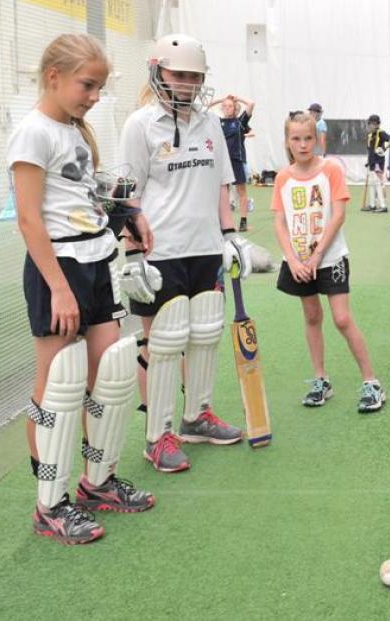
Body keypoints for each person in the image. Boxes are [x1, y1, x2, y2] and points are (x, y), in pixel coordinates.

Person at [9, 33, 155, 544]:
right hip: (60, 269)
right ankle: (50, 503)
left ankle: (98, 482)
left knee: (108, 378)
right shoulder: (33, 132)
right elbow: (29, 220)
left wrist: (126, 216)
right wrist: (60, 290)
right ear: (54, 77)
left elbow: (84, 197)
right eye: (87, 85)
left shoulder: (75, 129)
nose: (94, 96)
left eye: (98, 86)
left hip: (97, 260)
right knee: (56, 388)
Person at [119, 33, 253, 473]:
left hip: (205, 247)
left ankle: (196, 417)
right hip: (160, 252)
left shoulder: (210, 122)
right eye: (179, 74)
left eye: (195, 76)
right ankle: (157, 437)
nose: (188, 83)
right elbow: (128, 196)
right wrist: (133, 254)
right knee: (163, 345)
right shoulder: (140, 124)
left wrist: (230, 234)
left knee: (205, 335)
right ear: (158, 72)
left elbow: (220, 184)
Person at [271, 112, 386, 413]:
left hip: (330, 258)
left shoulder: (331, 169)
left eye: (308, 138)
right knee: (311, 316)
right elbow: (280, 222)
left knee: (342, 319)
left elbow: (338, 215)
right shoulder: (283, 177)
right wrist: (294, 260)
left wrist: (318, 254)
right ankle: (321, 380)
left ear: (317, 139)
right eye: (296, 138)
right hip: (298, 263)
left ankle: (371, 382)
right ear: (288, 141)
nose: (303, 144)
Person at [211, 94, 255, 231]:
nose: (226, 108)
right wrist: (221, 99)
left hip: (236, 160)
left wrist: (237, 98)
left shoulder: (240, 121)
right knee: (224, 192)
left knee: (241, 191)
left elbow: (251, 103)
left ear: (235, 108)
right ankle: (226, 223)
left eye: (230, 106)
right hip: (222, 161)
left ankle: (243, 221)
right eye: (224, 106)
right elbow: (204, 108)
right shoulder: (217, 122)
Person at [362, 114, 389, 213]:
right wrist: (368, 161)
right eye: (370, 124)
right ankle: (372, 205)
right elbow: (370, 150)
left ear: (377, 124)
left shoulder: (381, 133)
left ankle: (383, 206)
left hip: (378, 162)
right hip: (372, 162)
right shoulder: (370, 135)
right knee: (372, 184)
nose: (371, 126)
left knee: (378, 183)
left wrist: (383, 148)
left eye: (373, 124)